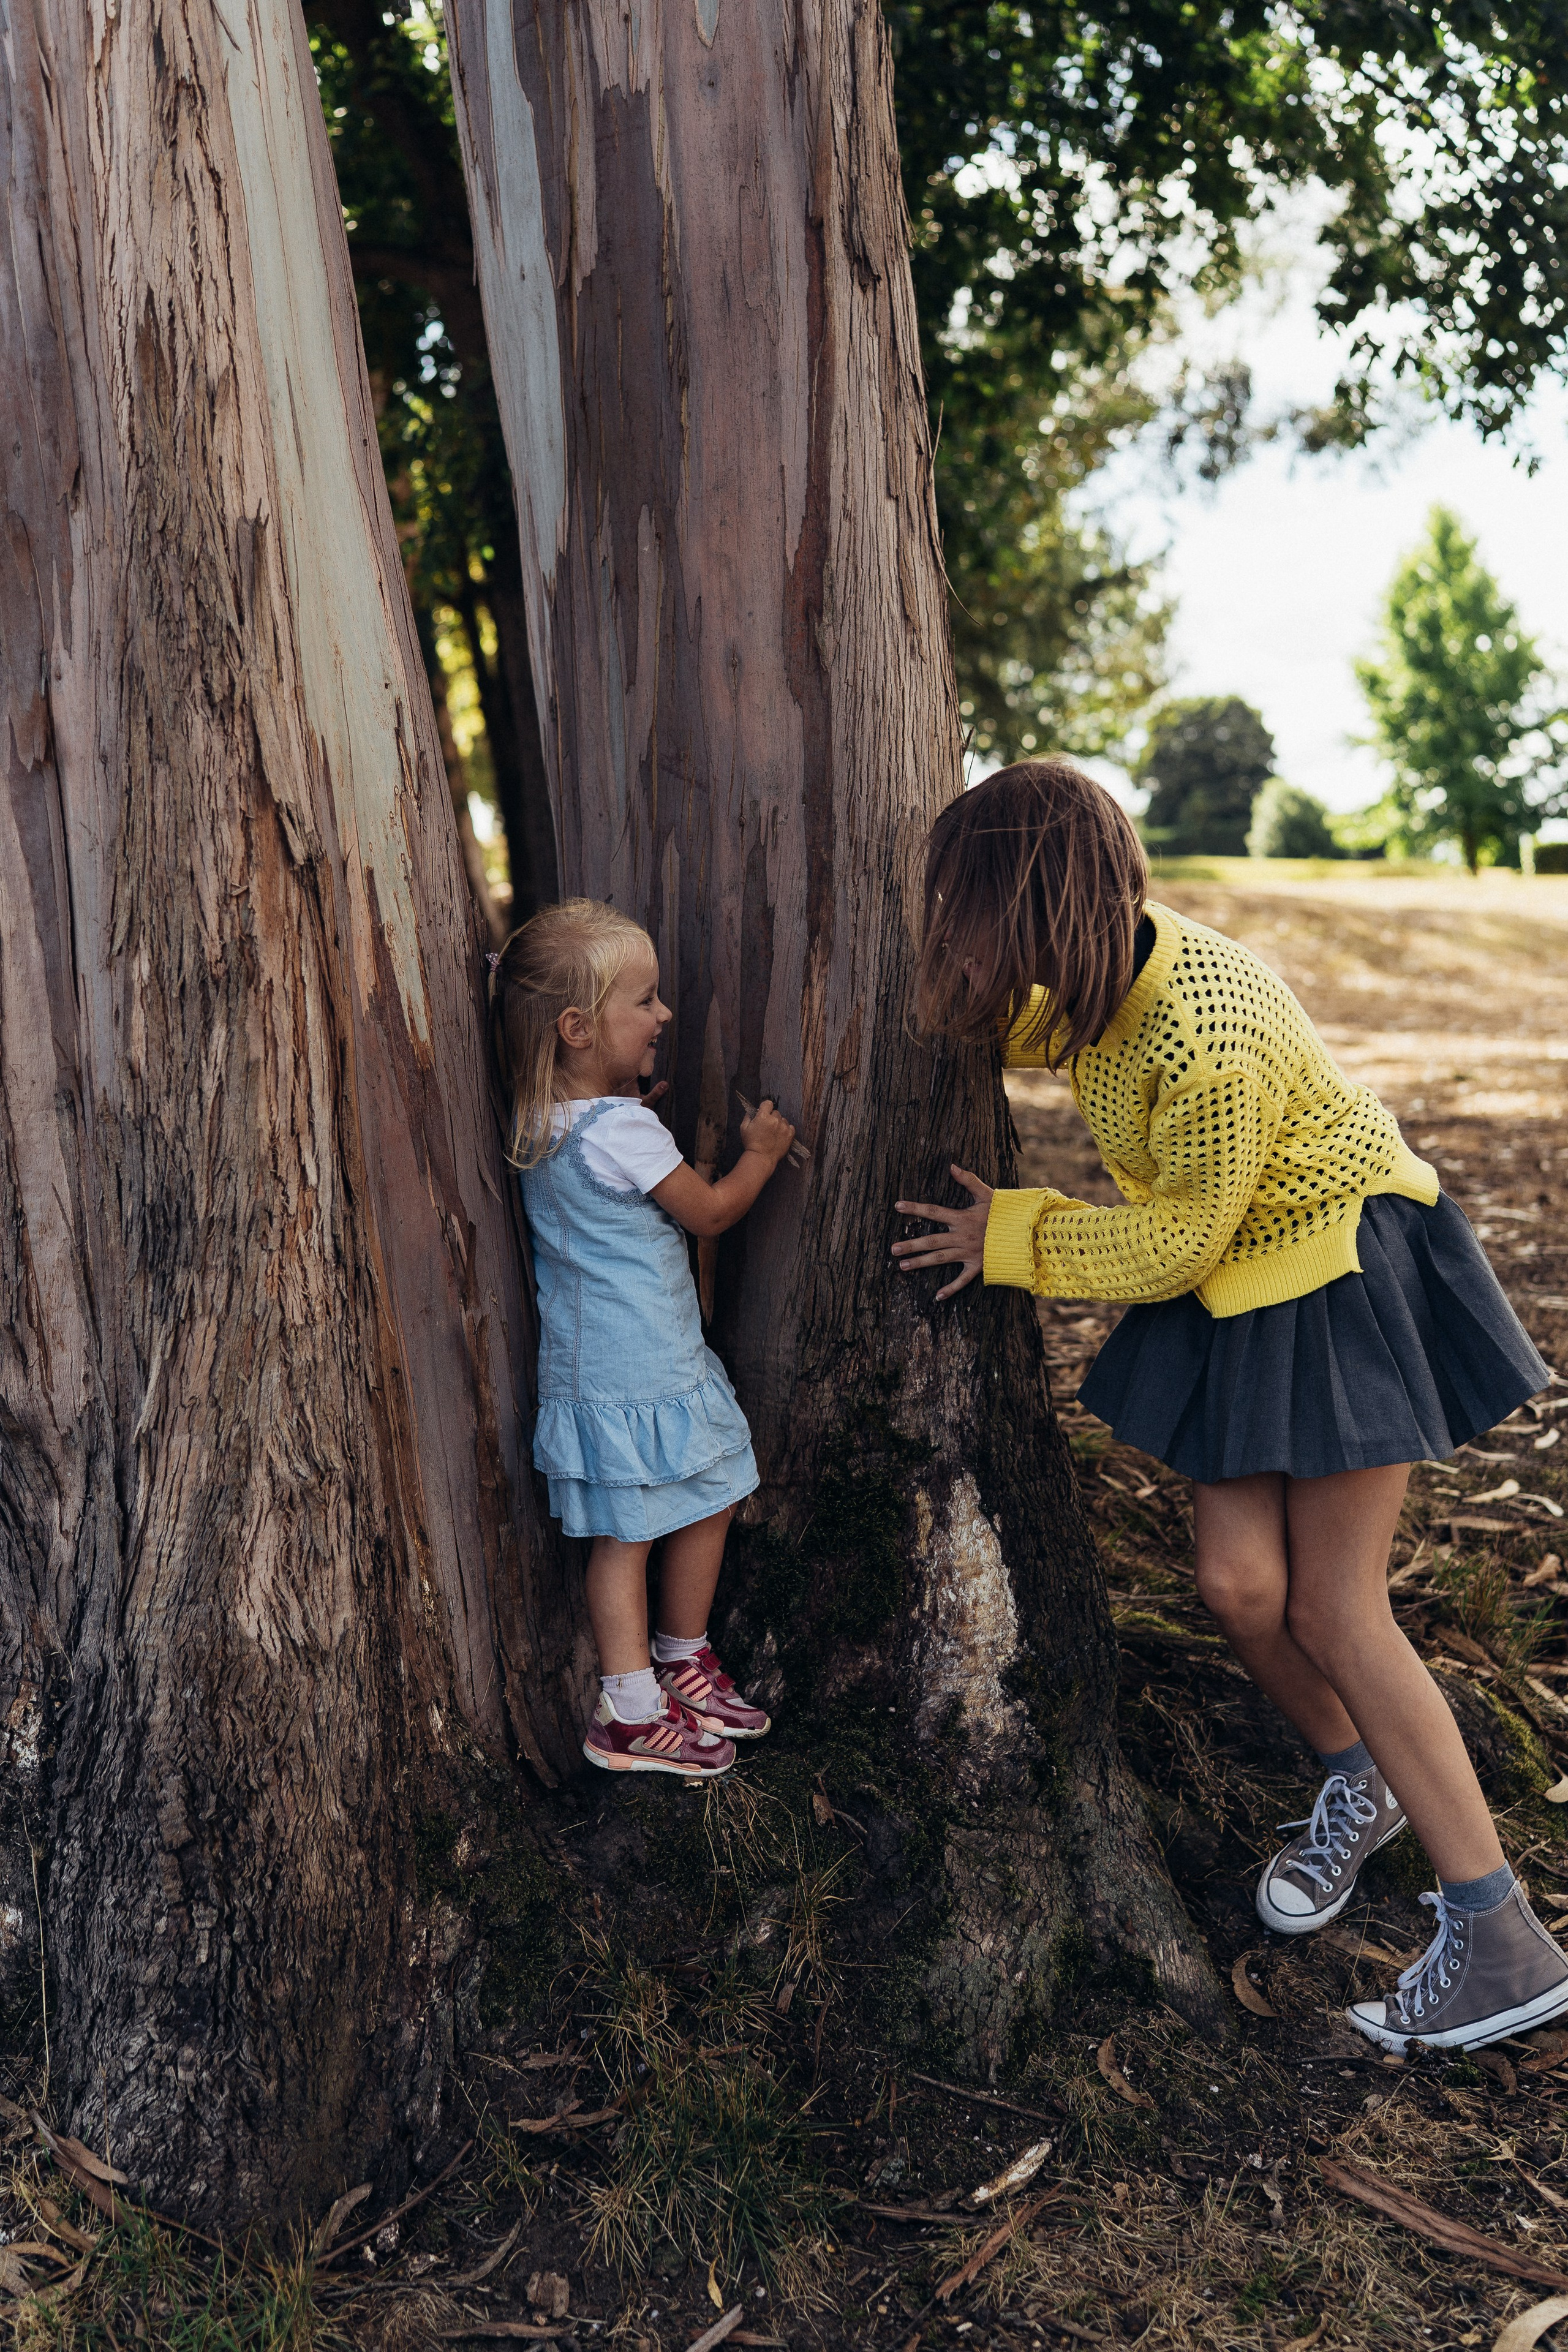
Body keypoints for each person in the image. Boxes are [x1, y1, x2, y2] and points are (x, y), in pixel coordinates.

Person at [891, 757, 1564, 2054]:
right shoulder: (1096, 987)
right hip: (1247, 1283)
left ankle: (1498, 1933)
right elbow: (1068, 1080)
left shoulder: (1201, 1025)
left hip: (1338, 1267)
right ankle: (1353, 1778)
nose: (952, 953)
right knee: (1239, 1590)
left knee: (1334, 1605)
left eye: (968, 924)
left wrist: (1013, 1236)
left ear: (1036, 914)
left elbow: (1173, 1249)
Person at [489, 899, 793, 1779]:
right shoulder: (622, 1128)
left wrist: (626, 1103)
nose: (664, 1015)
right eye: (646, 1001)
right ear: (579, 1028)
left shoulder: (541, 1114)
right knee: (658, 1518)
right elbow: (709, 1212)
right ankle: (630, 1705)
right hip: (640, 1361)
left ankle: (675, 1660)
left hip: (619, 1361)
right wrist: (762, 1154)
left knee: (692, 1496)